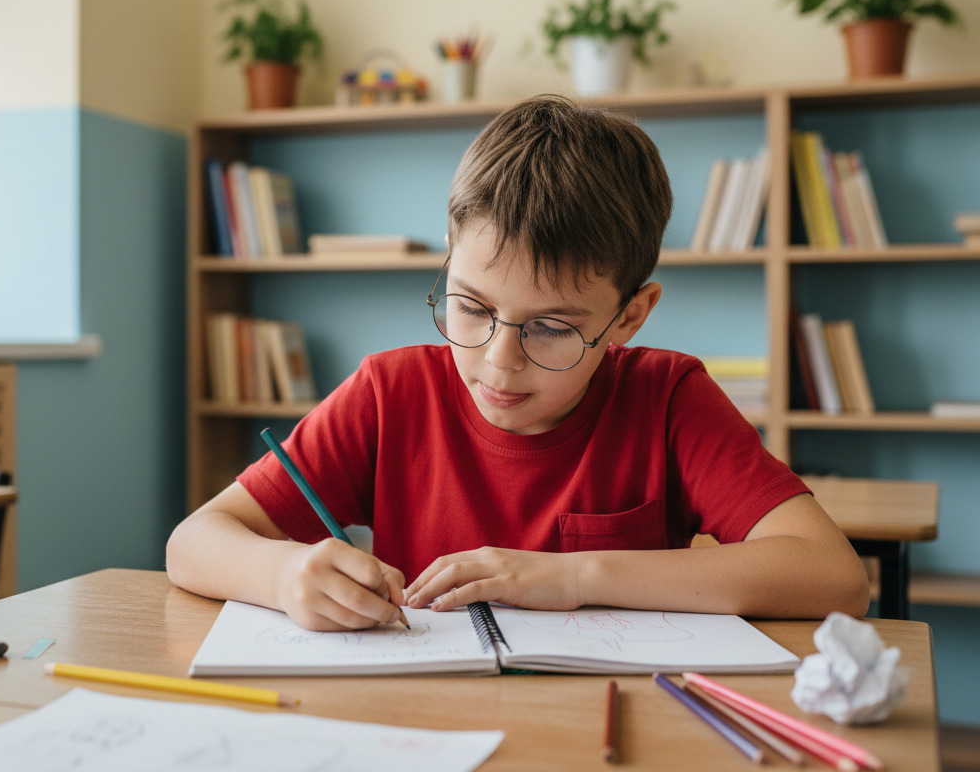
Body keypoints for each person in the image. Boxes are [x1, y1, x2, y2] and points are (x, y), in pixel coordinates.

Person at [167, 95, 870, 631]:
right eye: (470, 307)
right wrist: (286, 571)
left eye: (553, 328)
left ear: (631, 315)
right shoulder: (391, 392)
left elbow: (833, 577)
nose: (499, 362)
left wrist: (574, 576)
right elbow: (193, 543)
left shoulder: (668, 397)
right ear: (450, 254)